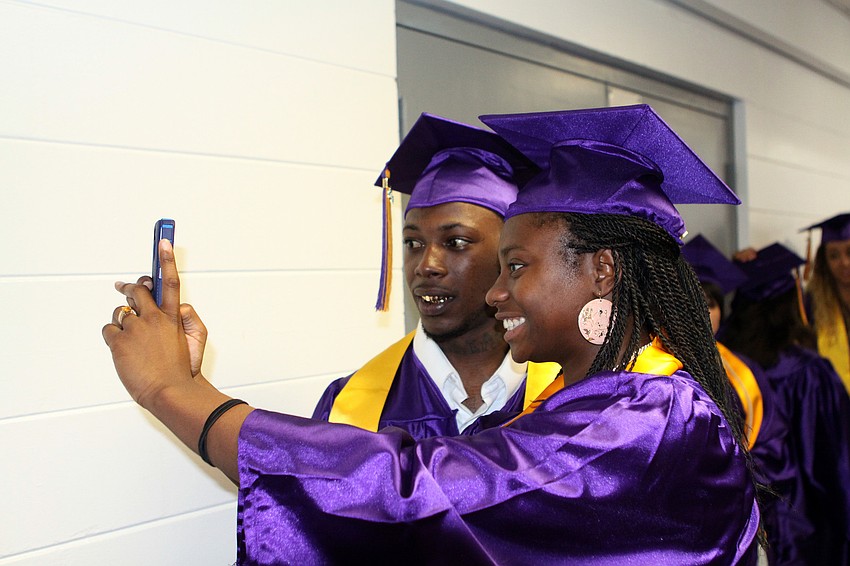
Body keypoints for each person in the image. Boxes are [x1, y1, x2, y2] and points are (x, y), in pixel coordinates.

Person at [103, 104, 759, 564]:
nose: (498, 291)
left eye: (516, 265)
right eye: (414, 242)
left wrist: (173, 390)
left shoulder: (652, 415)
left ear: (603, 268)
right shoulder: (589, 406)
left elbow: (412, 492)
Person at [312, 112, 559, 439]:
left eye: (456, 242)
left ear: (511, 256)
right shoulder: (352, 408)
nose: (426, 265)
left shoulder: (570, 395)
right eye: (412, 242)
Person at [721, 242, 850, 565]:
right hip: (808, 524)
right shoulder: (811, 373)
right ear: (790, 306)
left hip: (748, 523)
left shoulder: (728, 368)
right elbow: (838, 463)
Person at [681, 234, 769, 449]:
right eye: (692, 304)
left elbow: (771, 435)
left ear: (722, 311)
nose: (701, 314)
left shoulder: (744, 369)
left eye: (710, 305)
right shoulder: (656, 365)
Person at [802, 213, 850, 392]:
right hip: (833, 402)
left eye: (849, 252)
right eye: (834, 255)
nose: (844, 262)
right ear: (824, 261)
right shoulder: (811, 305)